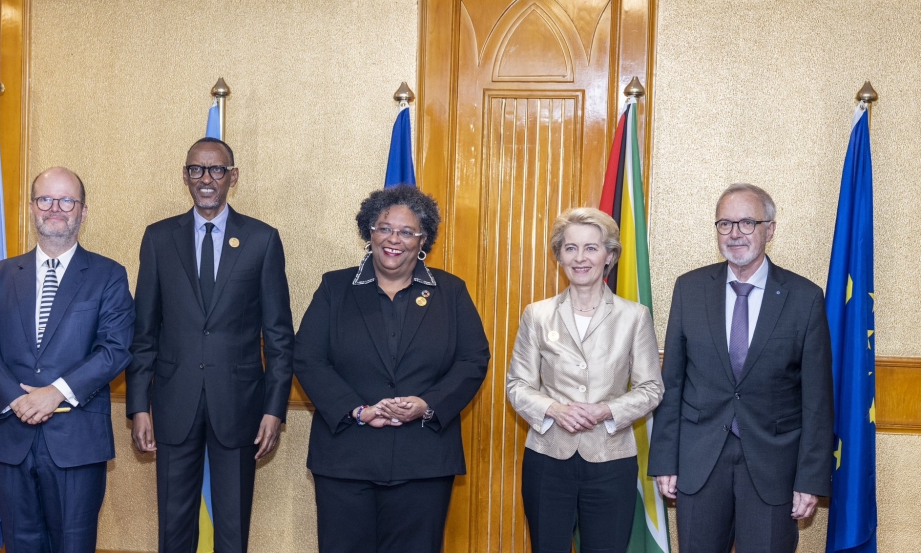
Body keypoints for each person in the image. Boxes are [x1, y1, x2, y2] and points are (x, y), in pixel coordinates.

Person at [293, 184, 489, 553]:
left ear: (423, 239)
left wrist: (427, 404)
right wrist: (357, 410)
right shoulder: (335, 287)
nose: (393, 239)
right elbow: (307, 357)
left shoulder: (451, 291)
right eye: (384, 228)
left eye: (406, 231)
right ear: (369, 232)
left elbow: (473, 359)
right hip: (346, 458)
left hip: (424, 459)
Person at [125, 137, 295, 553]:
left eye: (216, 169)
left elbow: (278, 335)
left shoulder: (262, 239)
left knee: (232, 529)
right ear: (185, 176)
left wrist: (274, 409)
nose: (206, 178)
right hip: (173, 402)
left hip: (239, 404)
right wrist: (139, 406)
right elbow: (144, 332)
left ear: (232, 177)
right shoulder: (159, 238)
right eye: (196, 169)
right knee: (174, 528)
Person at [648, 183, 834, 553]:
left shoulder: (805, 298)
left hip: (773, 467)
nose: (735, 233)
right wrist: (665, 461)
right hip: (700, 463)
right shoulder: (690, 289)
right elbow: (673, 383)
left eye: (747, 223)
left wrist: (810, 479)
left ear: (770, 229)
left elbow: (817, 400)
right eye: (725, 224)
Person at [0, 166, 135, 553]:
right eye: (45, 199)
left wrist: (55, 393)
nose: (55, 208)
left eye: (66, 200)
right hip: (13, 439)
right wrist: (17, 399)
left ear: (83, 211)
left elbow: (115, 348)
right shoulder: (0, 275)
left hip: (77, 443)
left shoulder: (108, 275)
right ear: (32, 207)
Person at [505, 207, 664, 553]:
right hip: (548, 458)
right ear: (559, 255)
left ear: (609, 255)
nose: (580, 258)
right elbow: (517, 385)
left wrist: (607, 410)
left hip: (611, 459)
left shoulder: (634, 317)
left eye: (591, 248)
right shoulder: (537, 314)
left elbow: (651, 389)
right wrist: (555, 410)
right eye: (571, 248)